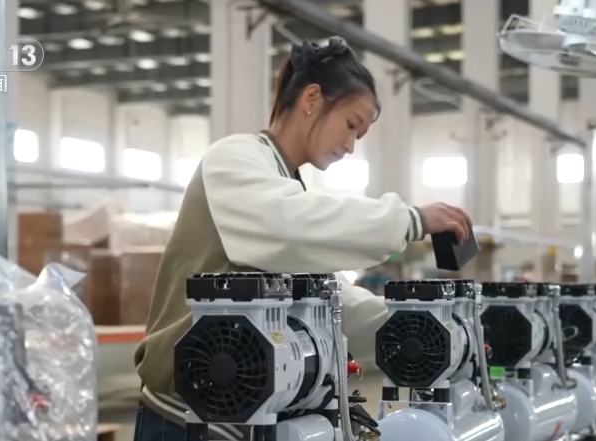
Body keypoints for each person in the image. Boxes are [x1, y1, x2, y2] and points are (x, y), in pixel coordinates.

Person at [130, 37, 473, 440]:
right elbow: (289, 224)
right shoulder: (235, 158)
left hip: (245, 417)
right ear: (312, 98)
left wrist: (419, 325)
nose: (351, 145)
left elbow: (329, 299)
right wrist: (411, 220)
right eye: (351, 125)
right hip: (185, 417)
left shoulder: (286, 183)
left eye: (360, 135)